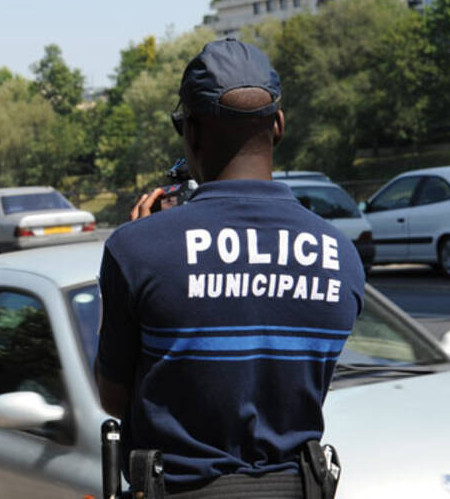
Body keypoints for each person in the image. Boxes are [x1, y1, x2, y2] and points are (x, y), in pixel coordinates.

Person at [93, 39, 365, 498]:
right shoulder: (341, 256)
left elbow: (113, 396)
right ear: (279, 126)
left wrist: (141, 251)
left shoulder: (136, 249)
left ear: (191, 133)